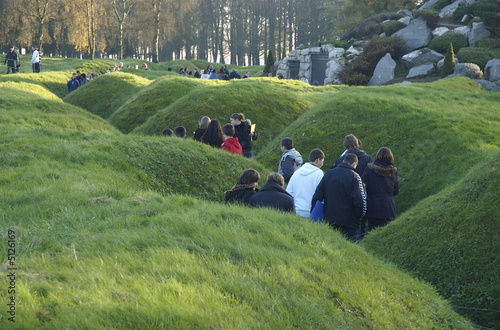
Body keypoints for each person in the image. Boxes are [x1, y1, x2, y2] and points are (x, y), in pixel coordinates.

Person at [312, 153, 367, 241]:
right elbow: (361, 201)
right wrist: (358, 218)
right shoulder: (355, 177)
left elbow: (317, 196)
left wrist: (315, 215)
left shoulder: (329, 174)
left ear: (344, 161)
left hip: (330, 220)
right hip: (349, 222)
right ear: (354, 164)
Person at [361, 147, 399, 233]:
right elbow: (396, 191)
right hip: (388, 207)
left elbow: (362, 186)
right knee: (387, 233)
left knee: (372, 231)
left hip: (373, 206)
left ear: (378, 156)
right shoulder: (393, 172)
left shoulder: (369, 169)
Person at [286, 149, 325, 218]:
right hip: (312, 212)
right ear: (317, 160)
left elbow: (289, 192)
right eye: (322, 161)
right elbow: (322, 194)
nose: (322, 164)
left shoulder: (297, 173)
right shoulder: (319, 174)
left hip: (296, 211)